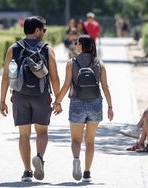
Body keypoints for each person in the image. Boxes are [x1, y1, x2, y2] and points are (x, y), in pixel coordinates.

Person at [0, 16, 60, 182]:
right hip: (41, 96)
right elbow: (54, 78)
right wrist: (58, 100)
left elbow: (6, 76)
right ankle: (39, 157)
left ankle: (27, 172)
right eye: (43, 30)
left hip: (19, 95)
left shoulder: (13, 48)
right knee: (42, 132)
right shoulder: (47, 49)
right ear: (37, 30)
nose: (44, 33)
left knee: (24, 135)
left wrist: (2, 100)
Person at [52, 34, 114, 182]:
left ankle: (76, 159)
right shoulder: (99, 63)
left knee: (75, 140)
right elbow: (105, 86)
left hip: (77, 103)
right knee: (90, 141)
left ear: (81, 46)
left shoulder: (71, 63)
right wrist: (110, 106)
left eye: (77, 43)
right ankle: (87, 173)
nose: (75, 45)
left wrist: (57, 102)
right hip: (96, 104)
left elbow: (67, 85)